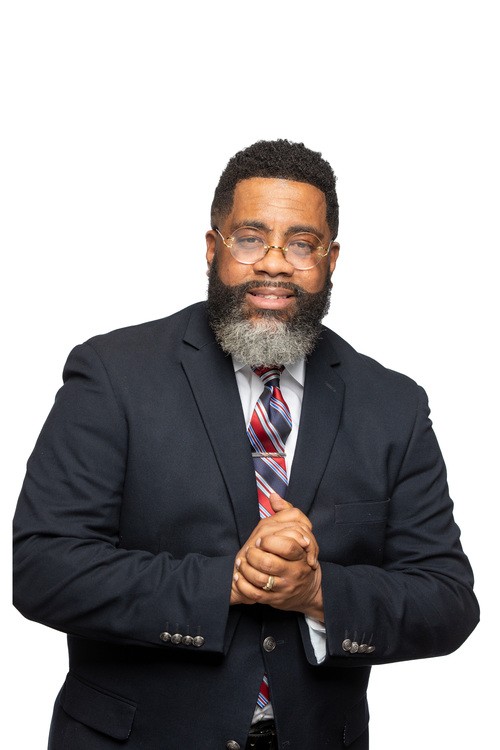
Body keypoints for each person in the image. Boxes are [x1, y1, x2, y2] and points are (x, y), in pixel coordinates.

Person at [13, 139, 479, 750]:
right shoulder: (113, 374)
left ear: (331, 259)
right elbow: (44, 568)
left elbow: (447, 600)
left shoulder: (393, 405)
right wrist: (230, 583)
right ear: (213, 247)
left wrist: (318, 593)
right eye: (251, 238)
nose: (275, 265)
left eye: (302, 244)